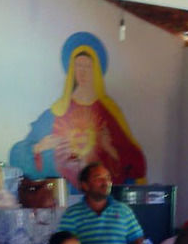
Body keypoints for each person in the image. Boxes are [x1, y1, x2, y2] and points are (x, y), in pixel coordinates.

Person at [9, 33, 146, 187]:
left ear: (96, 71)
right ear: (71, 71)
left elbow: (137, 163)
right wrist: (39, 147)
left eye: (87, 66)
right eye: (78, 66)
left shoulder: (109, 113)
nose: (82, 71)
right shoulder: (56, 112)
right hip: (61, 197)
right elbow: (16, 155)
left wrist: (110, 150)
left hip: (100, 197)